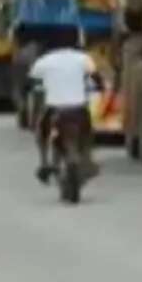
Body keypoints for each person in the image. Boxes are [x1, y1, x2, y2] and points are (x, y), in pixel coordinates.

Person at [29, 35, 100, 184]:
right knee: (87, 134)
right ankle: (88, 158)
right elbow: (96, 77)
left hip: (55, 109)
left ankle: (44, 162)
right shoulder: (83, 58)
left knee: (41, 132)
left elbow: (32, 81)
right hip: (78, 109)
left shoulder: (44, 61)